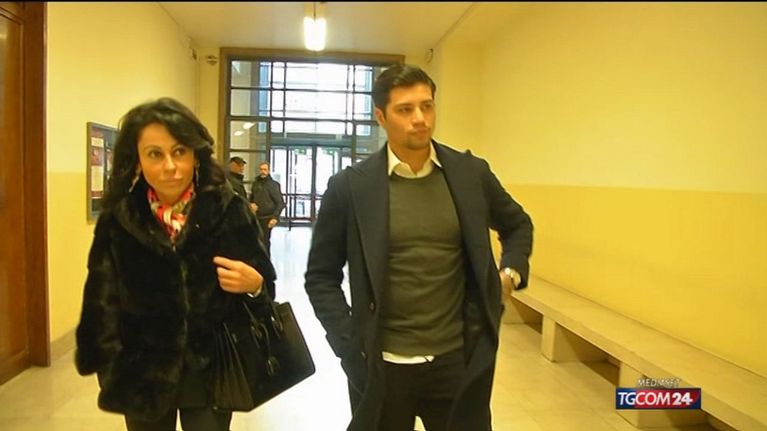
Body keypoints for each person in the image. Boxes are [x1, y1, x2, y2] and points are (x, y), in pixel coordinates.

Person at [304, 64, 533, 431]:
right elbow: (320, 277)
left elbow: (517, 223)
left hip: (457, 362)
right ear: (381, 116)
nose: (420, 119)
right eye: (405, 109)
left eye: (427, 106)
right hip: (383, 367)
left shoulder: (470, 174)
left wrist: (510, 273)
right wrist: (348, 343)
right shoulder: (350, 188)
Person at [75, 97, 276, 431]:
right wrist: (108, 365)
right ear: (138, 159)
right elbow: (101, 297)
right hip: (143, 371)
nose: (169, 166)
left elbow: (266, 289)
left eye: (179, 151)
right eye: (155, 154)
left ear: (195, 154)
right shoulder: (120, 219)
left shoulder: (229, 210)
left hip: (212, 368)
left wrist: (255, 286)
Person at [248, 161, 285, 261]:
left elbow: (280, 203)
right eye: (261, 169)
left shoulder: (273, 185)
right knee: (256, 241)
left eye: (265, 169)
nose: (262, 172)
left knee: (264, 241)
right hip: (256, 217)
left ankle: (265, 262)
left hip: (267, 218)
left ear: (269, 170)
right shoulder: (255, 184)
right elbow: (251, 198)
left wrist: (275, 217)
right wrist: (251, 204)